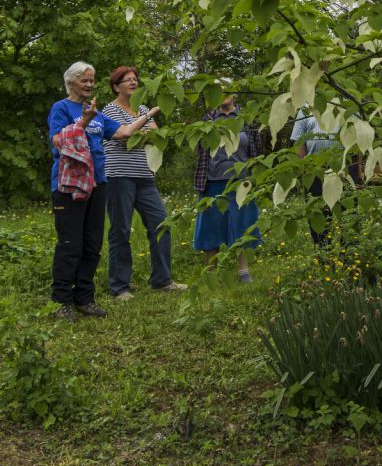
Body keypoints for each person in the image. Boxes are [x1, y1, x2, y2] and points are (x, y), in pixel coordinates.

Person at [48, 61, 160, 322]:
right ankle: (61, 301)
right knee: (69, 245)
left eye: (91, 80)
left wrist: (147, 115)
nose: (89, 84)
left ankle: (85, 298)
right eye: (84, 80)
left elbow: (123, 132)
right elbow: (58, 141)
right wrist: (83, 122)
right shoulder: (61, 108)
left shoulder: (95, 112)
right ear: (71, 82)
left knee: (92, 244)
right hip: (69, 186)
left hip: (98, 183)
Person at [103, 66, 187, 300]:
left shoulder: (140, 109)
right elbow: (124, 138)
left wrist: (140, 126)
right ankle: (120, 286)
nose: (133, 82)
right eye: (126, 80)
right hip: (119, 176)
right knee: (120, 230)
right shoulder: (110, 110)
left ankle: (162, 280)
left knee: (161, 224)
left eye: (134, 79)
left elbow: (156, 138)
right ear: (115, 86)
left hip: (145, 176)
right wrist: (147, 119)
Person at [193, 92, 261, 282]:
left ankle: (244, 272)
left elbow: (255, 148)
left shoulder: (246, 118)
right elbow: (200, 149)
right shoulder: (208, 119)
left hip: (241, 182)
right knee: (210, 226)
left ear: (234, 94)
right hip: (212, 181)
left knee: (243, 223)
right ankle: (211, 273)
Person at [291, 109, 362, 246]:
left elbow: (358, 139)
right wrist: (304, 168)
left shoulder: (348, 106)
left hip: (344, 167)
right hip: (315, 170)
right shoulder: (306, 108)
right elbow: (299, 141)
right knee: (317, 212)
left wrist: (358, 167)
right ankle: (323, 253)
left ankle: (351, 255)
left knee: (348, 212)